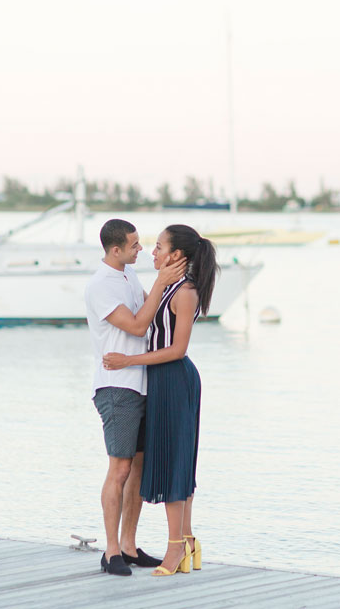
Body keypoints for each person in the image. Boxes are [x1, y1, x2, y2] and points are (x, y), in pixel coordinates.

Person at [102, 224, 217, 577]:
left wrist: (128, 360)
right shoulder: (168, 287)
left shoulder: (186, 291)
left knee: (175, 463)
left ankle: (175, 549)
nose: (152, 253)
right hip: (161, 380)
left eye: (158, 247)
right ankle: (187, 541)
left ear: (176, 255)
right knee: (174, 461)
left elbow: (178, 348)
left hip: (174, 377)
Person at [85, 219, 185, 577]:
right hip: (117, 386)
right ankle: (110, 551)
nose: (140, 249)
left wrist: (182, 286)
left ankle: (129, 545)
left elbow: (154, 311)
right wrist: (161, 281)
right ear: (115, 250)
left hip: (143, 383)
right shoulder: (101, 286)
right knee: (120, 468)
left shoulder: (129, 277)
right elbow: (139, 326)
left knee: (138, 468)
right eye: (133, 244)